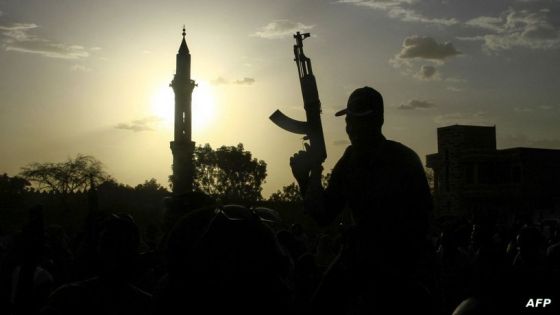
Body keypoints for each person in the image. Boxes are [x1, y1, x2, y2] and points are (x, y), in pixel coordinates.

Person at [290, 86, 433, 314]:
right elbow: (324, 214)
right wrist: (307, 178)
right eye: (349, 123)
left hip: (390, 268)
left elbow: (420, 223)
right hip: (362, 262)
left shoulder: (402, 161)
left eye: (356, 122)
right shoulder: (351, 160)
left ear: (376, 122)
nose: (349, 129)